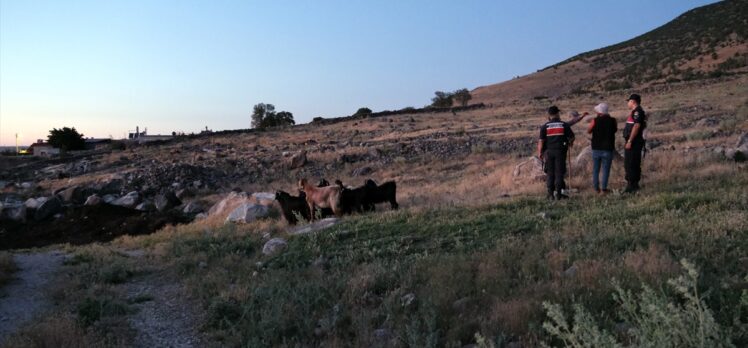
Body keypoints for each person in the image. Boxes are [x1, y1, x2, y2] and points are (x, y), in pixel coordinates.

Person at [538, 106, 575, 200]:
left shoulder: (544, 126)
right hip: (560, 152)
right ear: (558, 114)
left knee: (550, 173)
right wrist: (570, 143)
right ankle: (559, 194)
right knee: (559, 173)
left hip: (548, 152)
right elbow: (572, 137)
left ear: (549, 115)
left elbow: (541, 141)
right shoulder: (564, 125)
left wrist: (540, 153)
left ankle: (550, 194)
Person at [587, 103, 617, 193]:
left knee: (596, 169)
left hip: (596, 148)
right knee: (606, 170)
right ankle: (604, 188)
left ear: (599, 112)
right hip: (608, 148)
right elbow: (615, 130)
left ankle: (596, 188)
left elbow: (588, 130)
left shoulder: (595, 120)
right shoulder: (613, 120)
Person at [623, 94, 646, 193]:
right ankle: (633, 185)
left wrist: (630, 141)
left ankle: (631, 186)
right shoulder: (636, 112)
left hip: (634, 143)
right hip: (634, 142)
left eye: (629, 101)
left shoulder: (637, 112)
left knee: (630, 163)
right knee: (632, 163)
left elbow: (636, 126)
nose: (628, 103)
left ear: (633, 101)